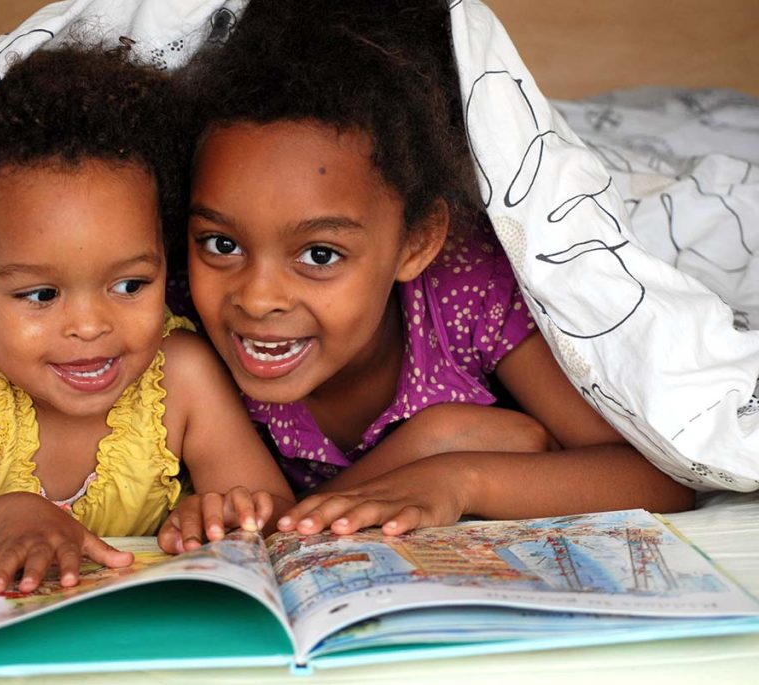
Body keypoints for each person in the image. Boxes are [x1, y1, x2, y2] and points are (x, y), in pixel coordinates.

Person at [165, 0, 693, 546]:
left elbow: (659, 476)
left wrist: (459, 476)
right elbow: (277, 530)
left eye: (320, 254)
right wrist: (432, 440)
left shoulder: (467, 289)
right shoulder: (171, 315)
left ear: (417, 242)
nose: (257, 298)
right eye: (221, 243)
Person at [0, 45, 293, 594]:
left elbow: (272, 508)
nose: (89, 326)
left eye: (130, 285)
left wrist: (221, 510)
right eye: (40, 294)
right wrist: (9, 518)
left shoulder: (181, 372)